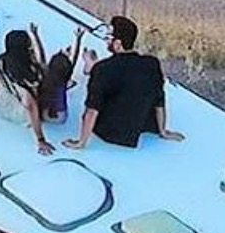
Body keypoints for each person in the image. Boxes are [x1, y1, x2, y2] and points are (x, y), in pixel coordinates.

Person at [64, 15, 185, 150]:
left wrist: (81, 142)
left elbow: (92, 109)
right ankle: (90, 64)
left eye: (109, 39)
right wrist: (162, 131)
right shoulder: (152, 64)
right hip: (137, 128)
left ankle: (90, 65)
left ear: (118, 44)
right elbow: (159, 99)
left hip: (109, 132)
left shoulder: (103, 69)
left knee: (101, 81)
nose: (106, 41)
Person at [31, 23, 84, 124]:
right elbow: (75, 57)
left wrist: (35, 34)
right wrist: (78, 39)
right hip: (60, 116)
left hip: (44, 113)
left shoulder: (45, 73)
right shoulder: (65, 77)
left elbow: (41, 53)